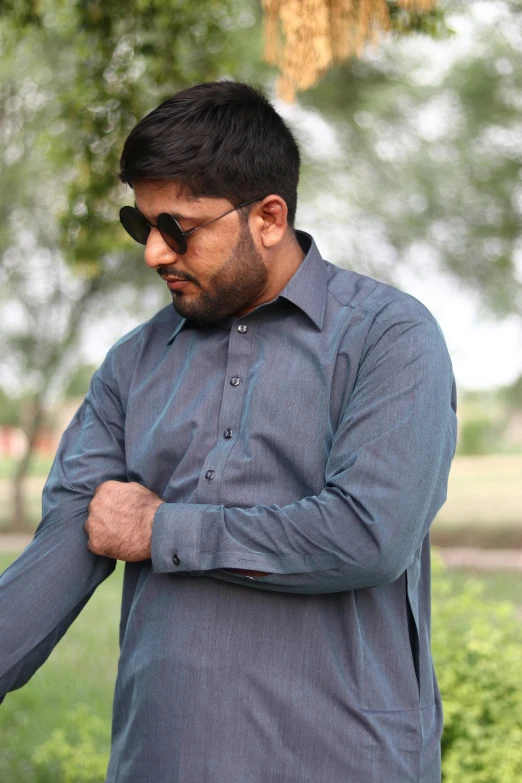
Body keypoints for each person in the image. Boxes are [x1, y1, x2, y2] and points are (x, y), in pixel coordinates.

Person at [0, 80, 457, 783]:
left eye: (177, 227)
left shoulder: (389, 337)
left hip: (346, 763)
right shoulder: (133, 362)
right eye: (140, 224)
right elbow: (65, 544)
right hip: (164, 761)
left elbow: (369, 534)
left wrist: (164, 531)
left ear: (268, 217)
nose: (153, 252)